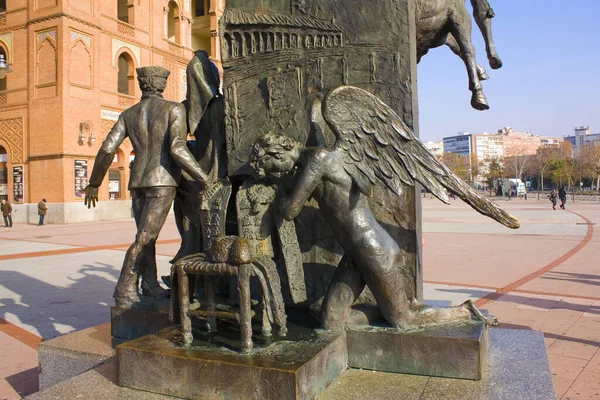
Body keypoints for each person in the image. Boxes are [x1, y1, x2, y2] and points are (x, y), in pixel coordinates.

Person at [84, 66, 210, 307]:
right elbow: (177, 148)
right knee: (144, 237)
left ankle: (149, 284)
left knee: (146, 235)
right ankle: (124, 289)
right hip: (161, 182)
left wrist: (94, 182)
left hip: (137, 182)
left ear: (142, 85)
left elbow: (108, 148)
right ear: (162, 85)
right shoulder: (174, 109)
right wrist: (204, 177)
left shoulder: (129, 114)